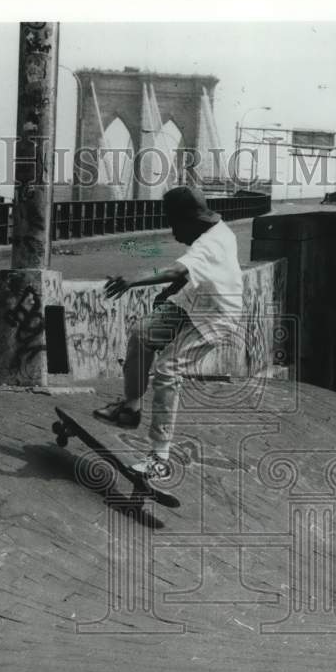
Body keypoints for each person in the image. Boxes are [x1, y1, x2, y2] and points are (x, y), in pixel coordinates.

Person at [93, 185, 242, 480]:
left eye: (175, 224)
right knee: (142, 333)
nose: (174, 233)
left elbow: (177, 270)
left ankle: (159, 458)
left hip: (216, 317)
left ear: (191, 220)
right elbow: (193, 274)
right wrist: (171, 292)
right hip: (191, 302)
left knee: (167, 369)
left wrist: (132, 281)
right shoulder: (218, 232)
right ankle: (130, 410)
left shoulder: (210, 244)